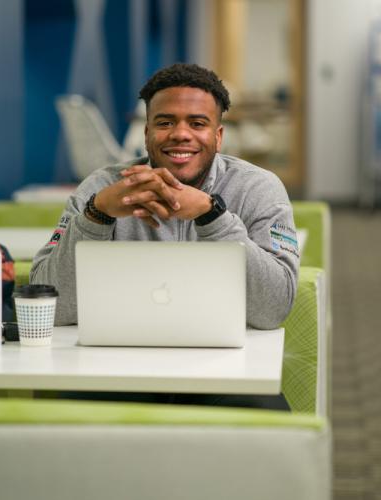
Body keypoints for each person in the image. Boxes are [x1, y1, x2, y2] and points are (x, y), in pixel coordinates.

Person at [31, 63, 299, 333]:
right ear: (147, 134)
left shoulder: (258, 188)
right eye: (165, 122)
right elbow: (51, 307)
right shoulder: (101, 187)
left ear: (218, 137)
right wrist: (96, 214)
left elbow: (273, 310)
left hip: (224, 360)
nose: (180, 134)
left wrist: (212, 215)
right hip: (118, 359)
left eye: (197, 123)